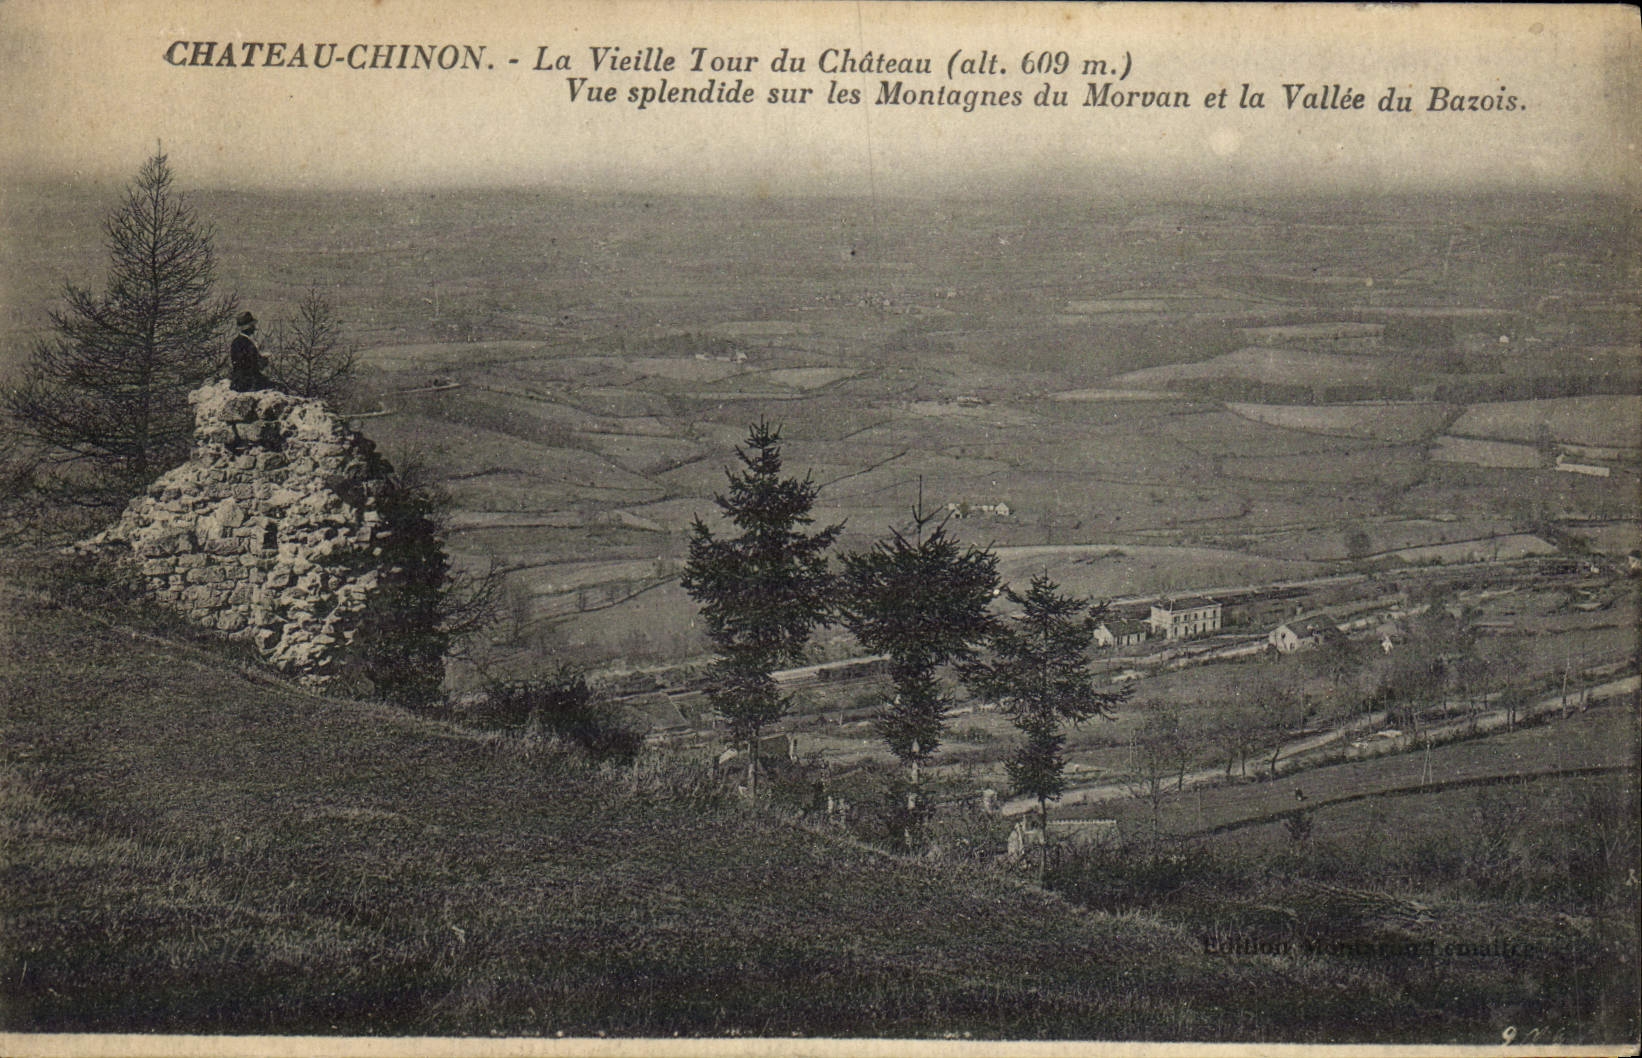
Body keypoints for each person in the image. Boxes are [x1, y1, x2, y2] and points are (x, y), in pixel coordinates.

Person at [229, 310, 271, 391]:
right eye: (252, 326)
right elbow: (251, 365)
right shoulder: (247, 343)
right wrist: (263, 360)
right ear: (249, 327)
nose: (254, 328)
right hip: (248, 382)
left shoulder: (236, 341)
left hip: (238, 380)